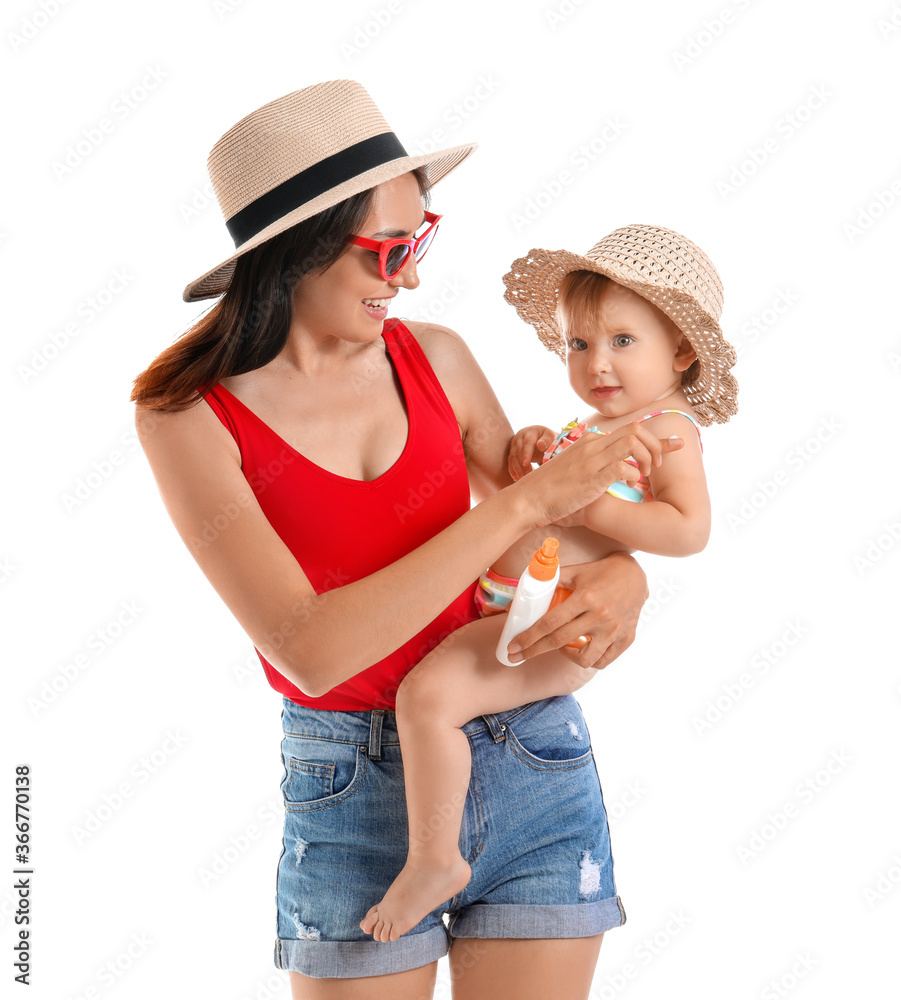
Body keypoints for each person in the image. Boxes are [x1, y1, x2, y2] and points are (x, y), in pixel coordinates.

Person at [131, 80, 679, 1000]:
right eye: (390, 248)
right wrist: (518, 506)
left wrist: (626, 577)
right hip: (351, 787)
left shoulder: (439, 356)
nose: (411, 275)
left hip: (530, 750)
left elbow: (539, 545)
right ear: (296, 251)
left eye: (420, 239)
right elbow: (311, 649)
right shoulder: (188, 417)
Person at [358, 225, 739, 944]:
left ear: (681, 351)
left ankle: (434, 860)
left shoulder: (667, 431)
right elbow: (522, 494)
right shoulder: (595, 425)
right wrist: (534, 448)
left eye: (623, 341)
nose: (597, 362)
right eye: (579, 344)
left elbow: (689, 530)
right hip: (511, 598)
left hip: (552, 619)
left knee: (427, 699)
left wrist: (588, 504)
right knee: (428, 684)